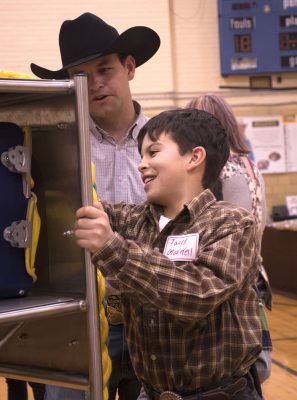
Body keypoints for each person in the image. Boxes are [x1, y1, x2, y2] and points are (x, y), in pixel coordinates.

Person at [74, 108, 263, 400]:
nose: (141, 165)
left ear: (194, 157)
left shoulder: (232, 223)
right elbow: (86, 210)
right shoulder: (134, 221)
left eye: (153, 152)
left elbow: (197, 293)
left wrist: (113, 249)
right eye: (141, 156)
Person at [30, 12, 160, 400]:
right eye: (81, 77)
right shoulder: (52, 151)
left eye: (105, 69)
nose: (95, 85)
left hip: (155, 321)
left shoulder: (171, 145)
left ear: (129, 67)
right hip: (79, 323)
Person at [186, 93, 272, 383]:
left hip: (225, 284)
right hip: (253, 277)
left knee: (226, 377)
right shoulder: (251, 165)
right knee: (251, 370)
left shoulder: (214, 169)